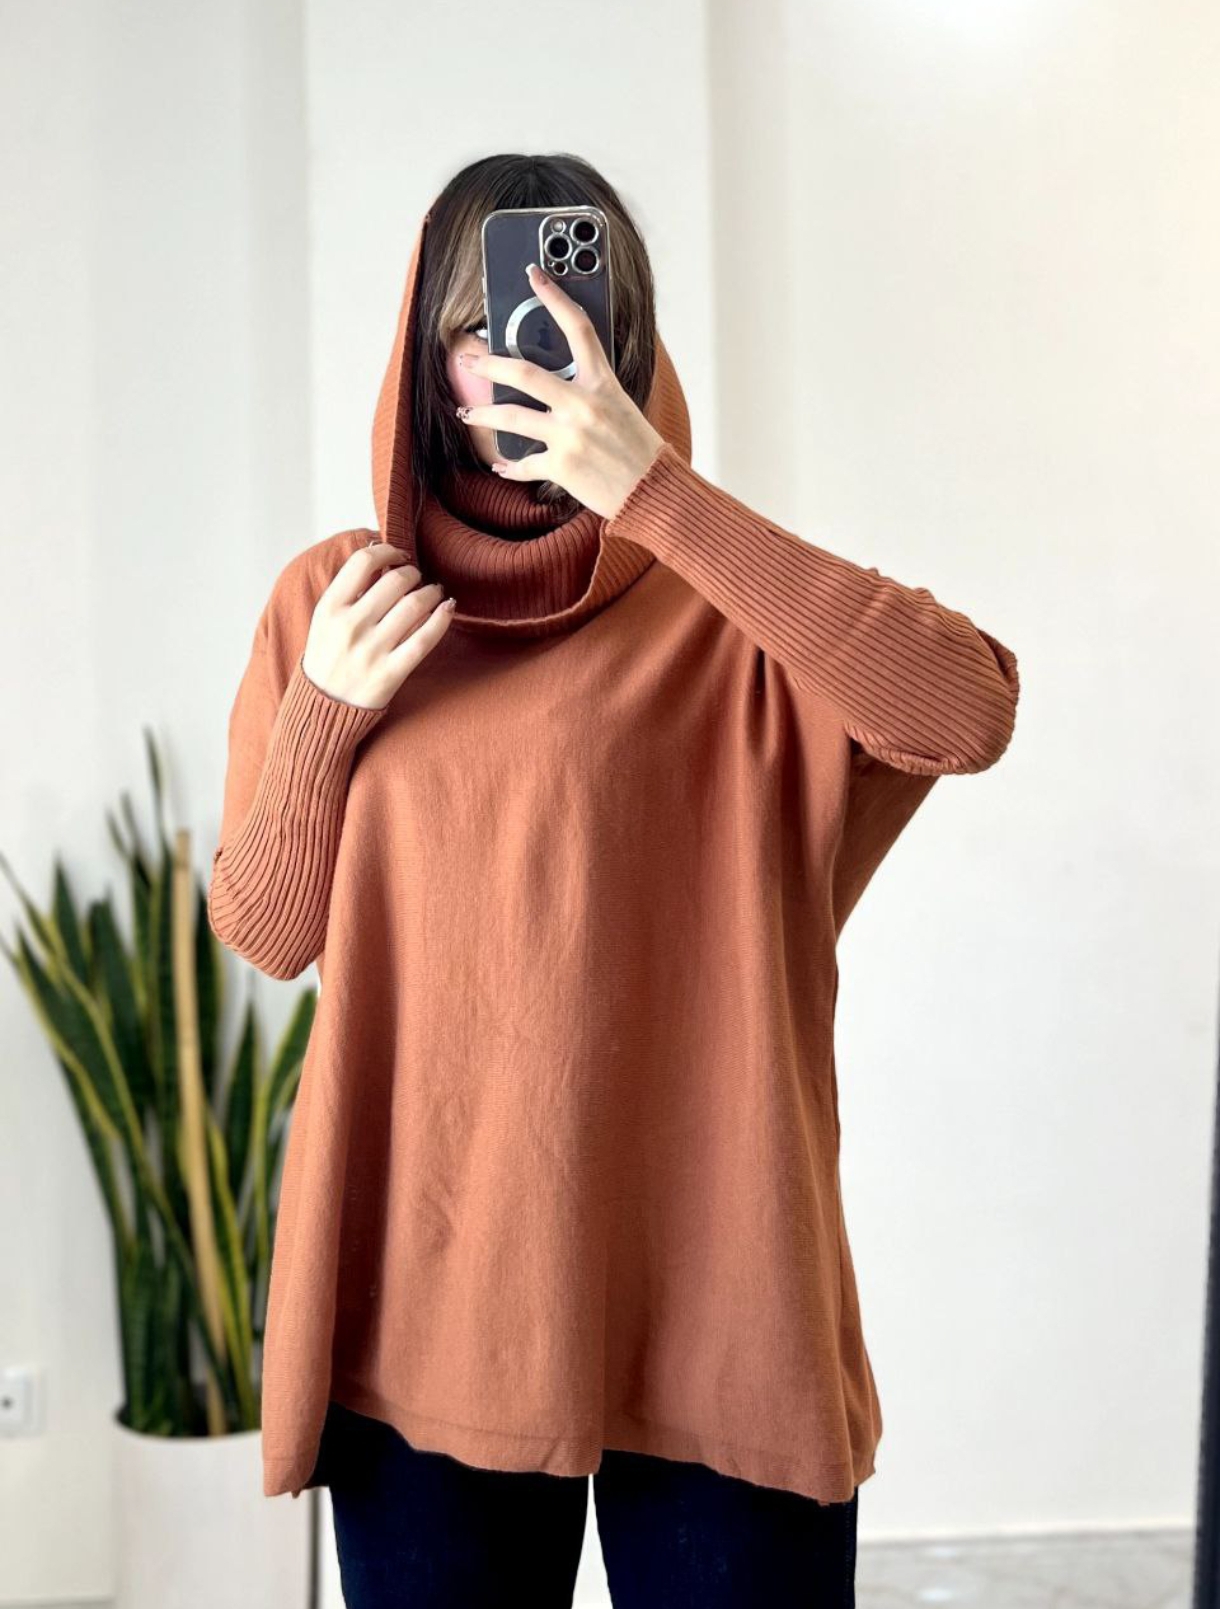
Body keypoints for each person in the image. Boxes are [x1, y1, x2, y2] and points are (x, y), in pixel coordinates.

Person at [208, 151, 1020, 1609]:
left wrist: (657, 496)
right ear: (424, 359)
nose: (525, 358)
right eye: (484, 327)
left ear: (627, 349)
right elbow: (266, 931)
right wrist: (327, 709)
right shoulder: (335, 603)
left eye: (566, 317)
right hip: (431, 1306)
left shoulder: (739, 610)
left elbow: (965, 713)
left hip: (721, 1293)